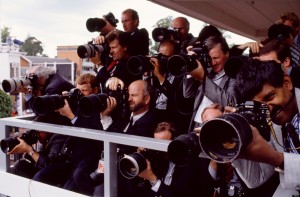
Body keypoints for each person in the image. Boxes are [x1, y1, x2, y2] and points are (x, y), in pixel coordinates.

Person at [231, 58, 300, 196]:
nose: (268, 110)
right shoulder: (274, 123)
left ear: (287, 83)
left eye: (270, 97)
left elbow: (277, 160)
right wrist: (235, 138)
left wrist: (277, 159)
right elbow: (256, 178)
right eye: (260, 107)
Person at [138, 121, 214, 197]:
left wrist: (152, 179)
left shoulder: (189, 164)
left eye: (162, 145)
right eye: (156, 144)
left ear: (175, 142)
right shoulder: (157, 158)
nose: (159, 150)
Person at [183, 36, 239, 133]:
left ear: (226, 54)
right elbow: (187, 94)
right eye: (209, 58)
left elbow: (230, 102)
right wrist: (190, 64)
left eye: (216, 58)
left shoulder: (234, 75)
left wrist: (203, 78)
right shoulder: (206, 71)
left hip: (217, 127)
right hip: (196, 123)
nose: (213, 63)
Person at [8, 114, 69, 182]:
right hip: (44, 168)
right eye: (35, 132)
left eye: (39, 132)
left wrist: (29, 150)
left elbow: (49, 165)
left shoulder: (58, 138)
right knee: (19, 165)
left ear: (49, 130)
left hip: (56, 172)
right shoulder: (44, 139)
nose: (37, 135)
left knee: (39, 175)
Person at [149, 40, 193, 134]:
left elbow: (177, 98)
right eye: (160, 56)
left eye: (166, 57)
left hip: (172, 122)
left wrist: (160, 77)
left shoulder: (182, 74)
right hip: (155, 117)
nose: (162, 59)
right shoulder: (158, 70)